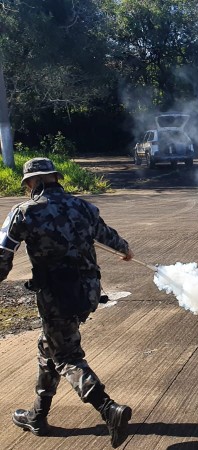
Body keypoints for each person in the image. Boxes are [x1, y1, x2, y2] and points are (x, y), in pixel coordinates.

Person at [0, 158, 133, 447]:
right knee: (49, 347)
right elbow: (107, 235)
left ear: (32, 183)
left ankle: (109, 409)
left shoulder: (23, 213)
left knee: (66, 357)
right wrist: (124, 249)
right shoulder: (83, 207)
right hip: (87, 292)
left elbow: (2, 255)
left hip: (56, 295)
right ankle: (37, 415)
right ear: (55, 178)